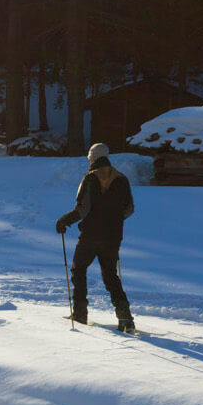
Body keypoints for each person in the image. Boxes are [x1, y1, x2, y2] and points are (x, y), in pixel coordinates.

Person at [56, 142, 135, 332]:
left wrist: (64, 221)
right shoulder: (122, 179)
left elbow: (83, 209)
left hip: (90, 234)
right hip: (113, 236)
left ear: (92, 158)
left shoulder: (90, 178)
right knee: (110, 275)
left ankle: (80, 314)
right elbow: (129, 209)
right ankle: (125, 318)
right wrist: (114, 220)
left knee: (79, 269)